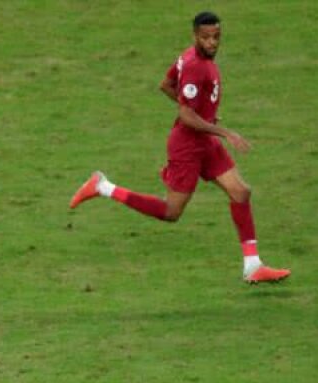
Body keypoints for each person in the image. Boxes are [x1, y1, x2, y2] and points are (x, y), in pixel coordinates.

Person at [69, 11, 291, 285]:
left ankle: (253, 265)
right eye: (206, 38)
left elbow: (166, 85)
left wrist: (204, 118)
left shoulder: (189, 57)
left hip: (204, 140)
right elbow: (186, 115)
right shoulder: (196, 65)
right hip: (187, 145)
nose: (212, 43)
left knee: (240, 192)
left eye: (216, 37)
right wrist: (222, 130)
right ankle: (102, 187)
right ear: (195, 36)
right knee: (171, 212)